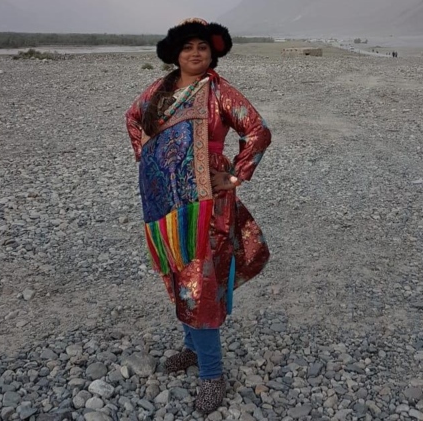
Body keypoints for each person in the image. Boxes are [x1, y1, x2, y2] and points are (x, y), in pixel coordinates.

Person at [125, 18, 271, 413]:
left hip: (208, 205)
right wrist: (150, 161)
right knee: (178, 273)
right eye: (187, 47)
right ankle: (192, 348)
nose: (195, 53)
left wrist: (236, 175)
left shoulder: (219, 91)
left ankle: (212, 374)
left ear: (212, 54)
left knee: (201, 283)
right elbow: (132, 118)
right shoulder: (159, 91)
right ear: (175, 53)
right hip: (167, 204)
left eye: (202, 47)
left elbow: (258, 131)